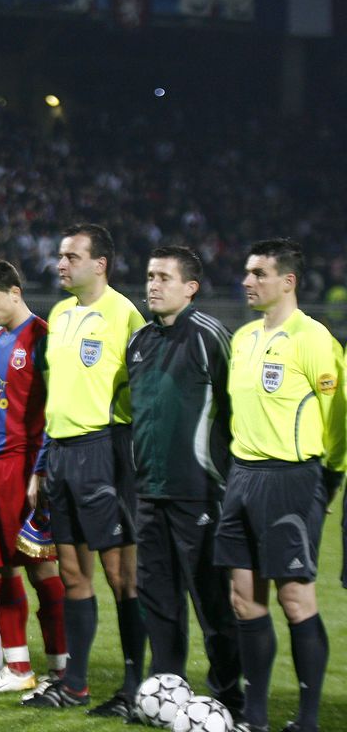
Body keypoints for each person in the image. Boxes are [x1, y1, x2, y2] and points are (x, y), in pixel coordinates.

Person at [213, 239, 345, 732]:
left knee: (295, 599)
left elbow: (339, 419)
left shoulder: (314, 339)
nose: (248, 281)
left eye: (259, 273)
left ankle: (307, 721)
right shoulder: (243, 337)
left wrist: (328, 477)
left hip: (292, 478)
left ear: (286, 281)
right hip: (242, 477)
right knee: (243, 598)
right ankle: (257, 717)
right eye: (247, 272)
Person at [22, 223, 146, 716]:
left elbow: (142, 395)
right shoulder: (59, 314)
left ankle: (135, 686)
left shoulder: (126, 316)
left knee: (122, 576)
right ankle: (75, 684)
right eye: (60, 255)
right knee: (72, 572)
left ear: (100, 264)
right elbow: (58, 397)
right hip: (63, 454)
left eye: (72, 256)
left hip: (107, 450)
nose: (60, 263)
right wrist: (44, 464)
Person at [126, 246, 243, 715]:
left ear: (190, 288)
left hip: (200, 491)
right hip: (149, 493)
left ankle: (228, 696)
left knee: (212, 602)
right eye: (150, 276)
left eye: (163, 278)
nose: (152, 285)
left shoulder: (211, 336)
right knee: (158, 602)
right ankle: (165, 696)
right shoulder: (138, 342)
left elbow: (238, 411)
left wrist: (230, 481)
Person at [0, 258, 67, 695]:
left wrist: (41, 469)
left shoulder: (42, 337)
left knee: (42, 570)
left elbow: (53, 410)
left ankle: (62, 666)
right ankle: (17, 666)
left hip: (23, 466)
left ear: (14, 292)